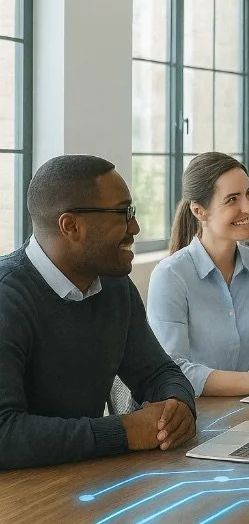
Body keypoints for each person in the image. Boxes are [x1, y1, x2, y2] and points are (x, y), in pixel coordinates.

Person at [0, 155, 196, 470]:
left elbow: (158, 373)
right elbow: (4, 434)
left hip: (85, 484)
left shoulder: (115, 287)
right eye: (122, 213)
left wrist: (177, 407)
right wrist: (125, 431)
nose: (135, 227)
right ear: (70, 226)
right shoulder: (7, 297)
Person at [148, 153, 249, 400]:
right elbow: (174, 371)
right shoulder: (171, 276)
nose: (248, 207)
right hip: (186, 415)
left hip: (234, 408)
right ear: (199, 211)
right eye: (232, 199)